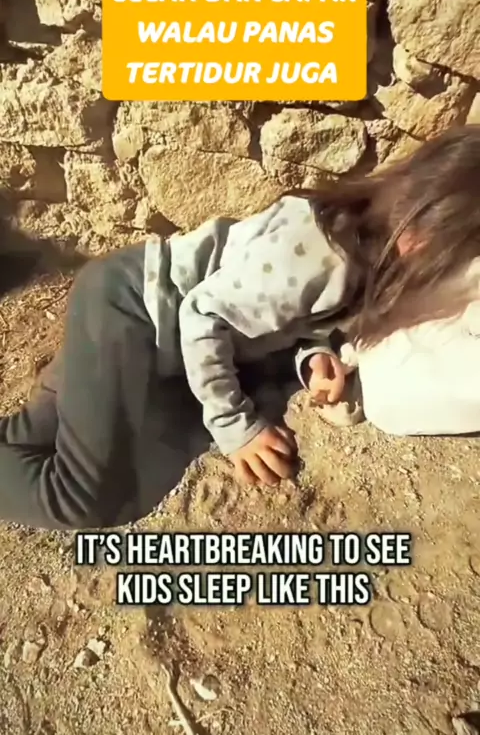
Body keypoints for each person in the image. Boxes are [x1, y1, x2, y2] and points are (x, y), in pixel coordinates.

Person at [0, 125, 480, 531]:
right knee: (84, 497)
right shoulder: (322, 257)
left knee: (46, 430)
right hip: (133, 312)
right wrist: (237, 428)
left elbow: (297, 318)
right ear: (423, 234)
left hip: (148, 318)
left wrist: (315, 357)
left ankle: (53, 413)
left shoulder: (364, 249)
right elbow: (202, 315)